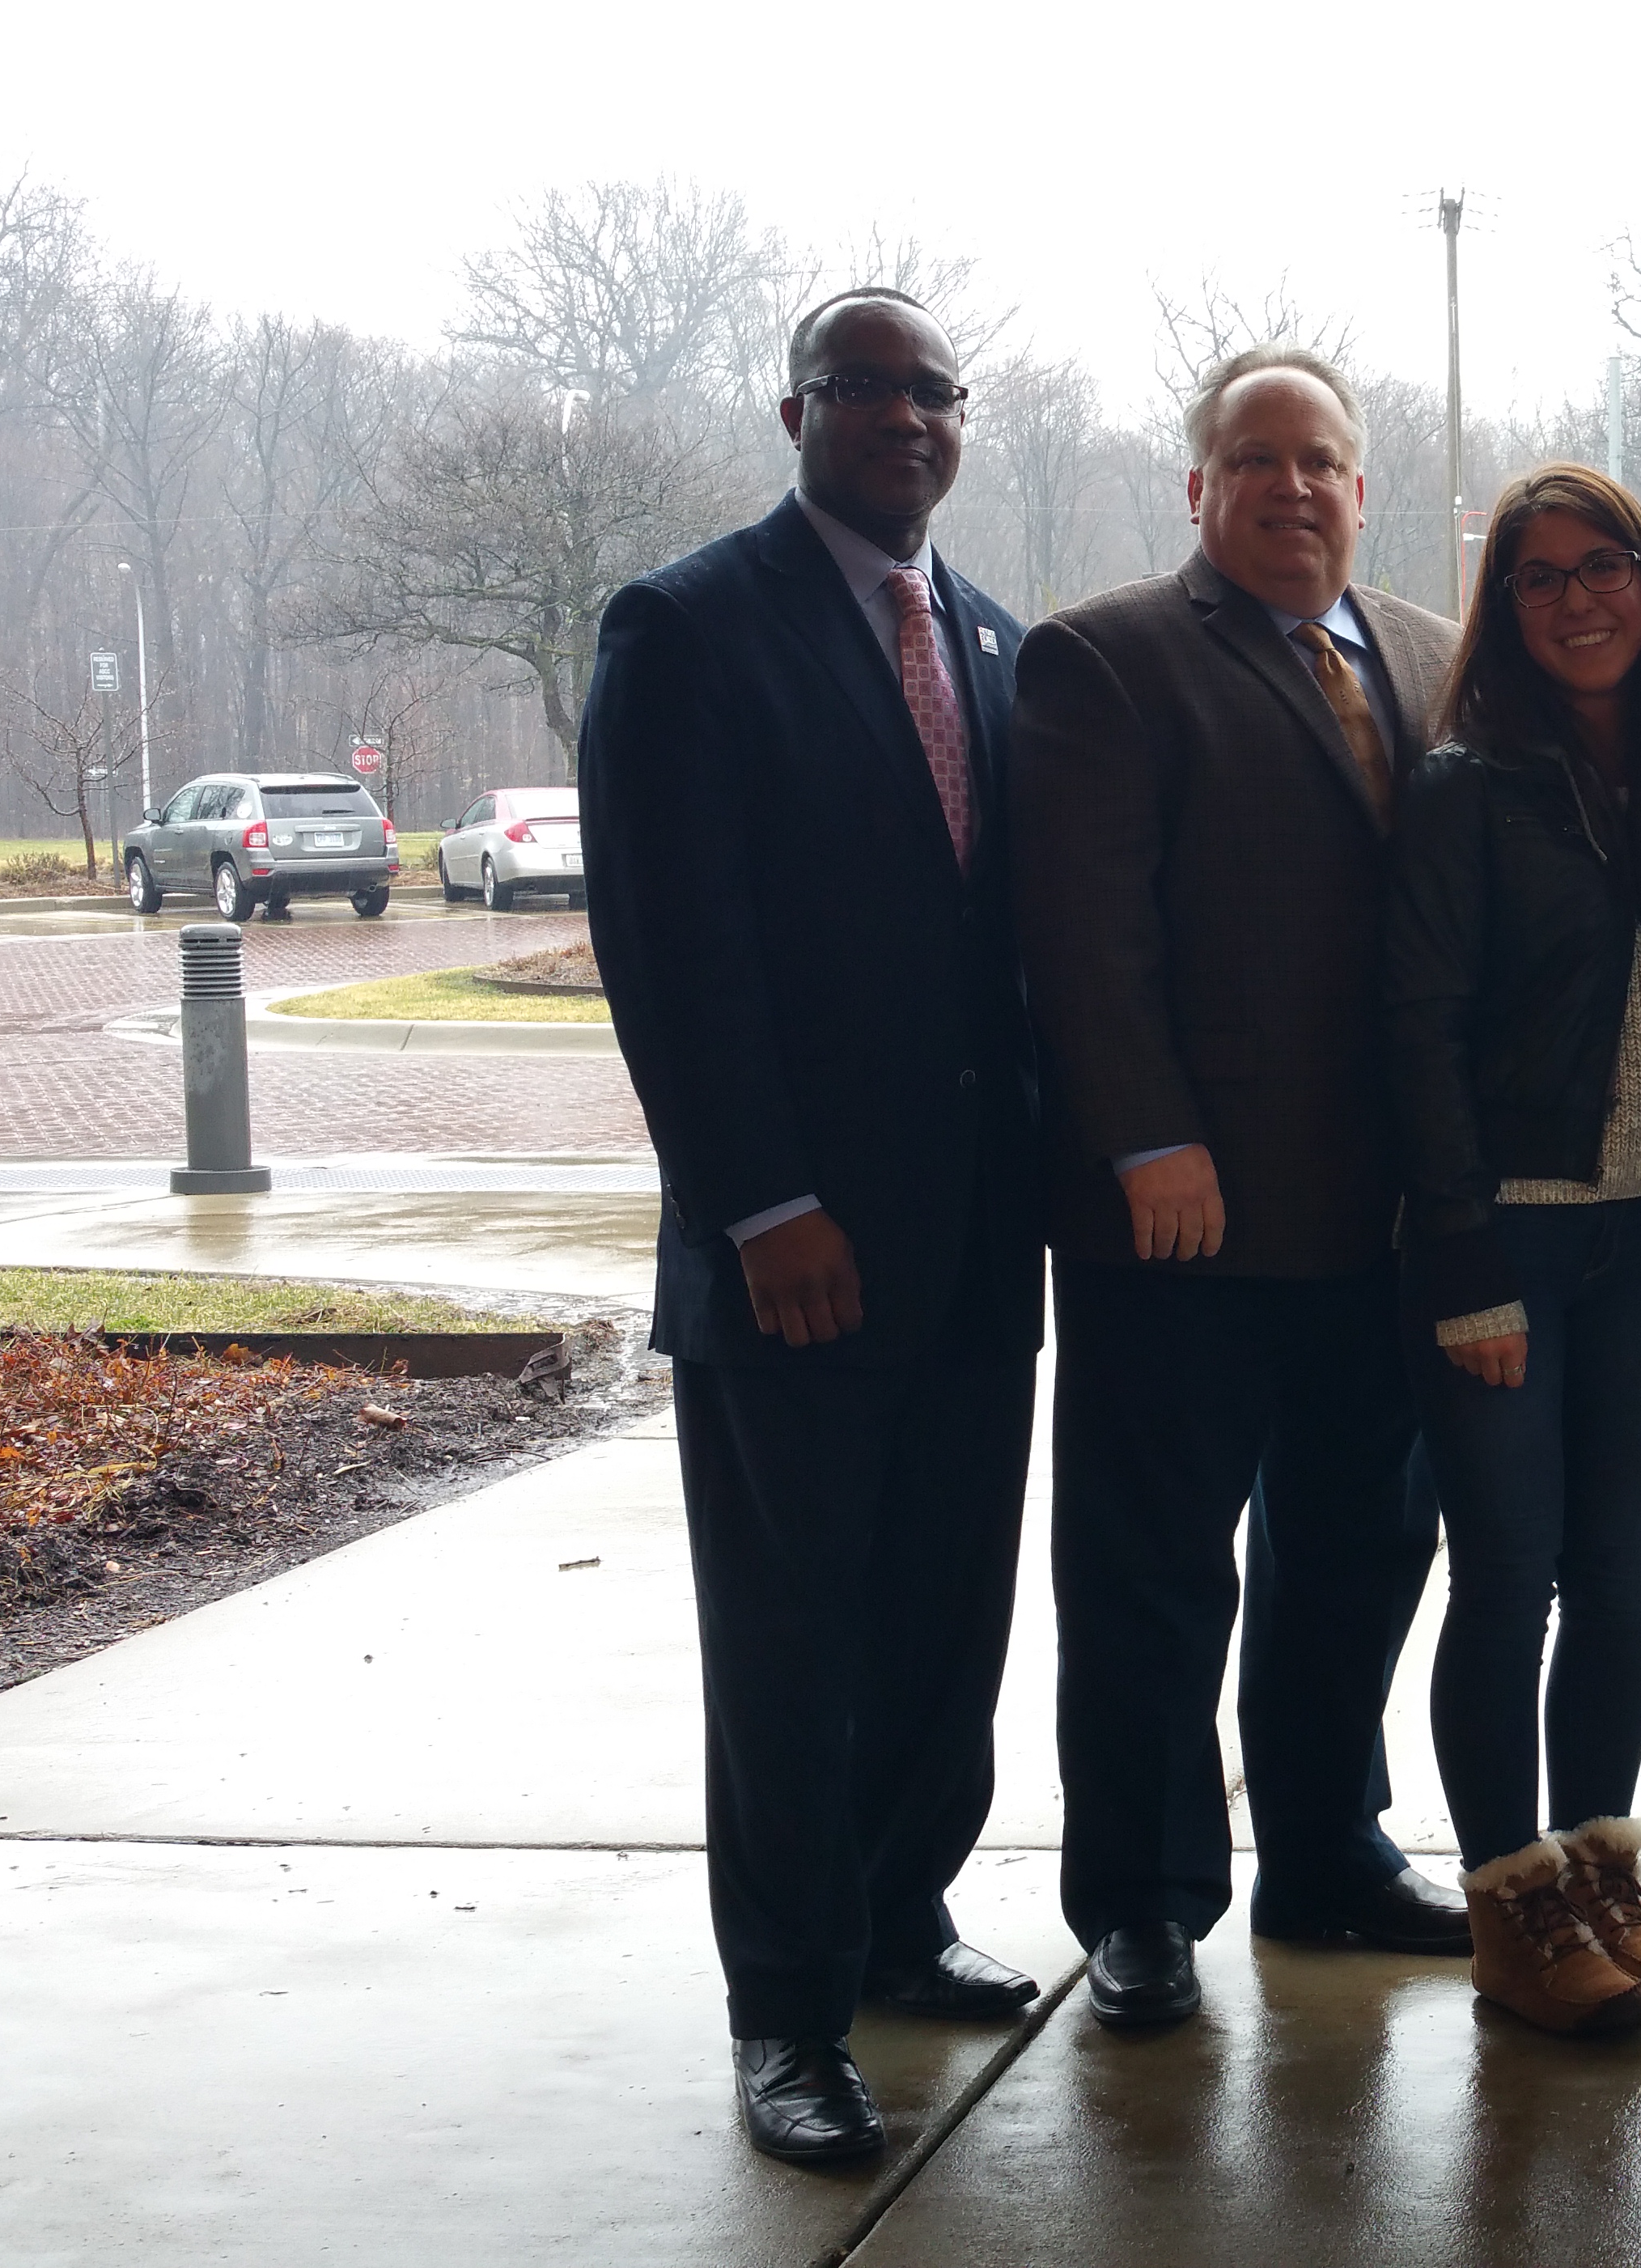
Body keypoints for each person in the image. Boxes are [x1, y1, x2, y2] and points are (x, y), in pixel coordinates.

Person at [581, 288, 1046, 2162]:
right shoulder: (690, 628)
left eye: (934, 390)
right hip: (796, 1255)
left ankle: (899, 1925)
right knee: (791, 1639)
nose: (906, 416)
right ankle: (787, 2017)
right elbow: (672, 952)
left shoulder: (996, 641)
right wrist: (761, 1201)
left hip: (974, 1249)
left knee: (945, 1611)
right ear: (796, 412)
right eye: (867, 387)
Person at [1010, 347, 1471, 2035]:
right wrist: (1146, 1139)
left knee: (1358, 1554)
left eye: (1325, 459)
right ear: (1197, 489)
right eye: (1255, 459)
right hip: (1180, 1223)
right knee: (1150, 1572)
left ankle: (1329, 1856)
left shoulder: (1432, 654)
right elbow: (1083, 930)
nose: (1294, 487)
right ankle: (1139, 1900)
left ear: (1364, 484)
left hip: (1384, 1224)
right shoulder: (1108, 662)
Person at [1384, 462, 1641, 2037]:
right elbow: (1419, 1024)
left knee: (1620, 1577)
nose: (1580, 597)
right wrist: (1458, 1260)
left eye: (1606, 567)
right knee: (1506, 1578)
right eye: (1541, 577)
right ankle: (1512, 1912)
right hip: (1512, 1238)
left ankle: (1603, 1880)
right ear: (1506, 609)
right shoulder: (1468, 782)